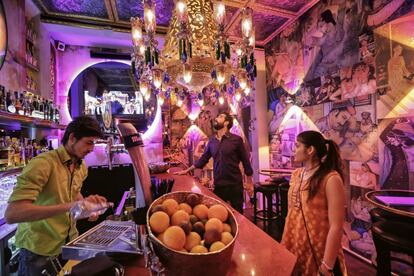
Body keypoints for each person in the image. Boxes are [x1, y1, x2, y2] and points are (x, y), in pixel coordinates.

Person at [5, 116, 107, 276]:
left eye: (94, 143)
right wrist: (73, 206)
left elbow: (72, 195)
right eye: (89, 142)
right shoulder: (42, 163)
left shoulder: (81, 167)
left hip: (69, 247)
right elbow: (13, 213)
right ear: (72, 138)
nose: (92, 148)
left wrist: (88, 207)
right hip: (38, 252)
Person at [281, 130, 347, 275]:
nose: (294, 149)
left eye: (297, 146)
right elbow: (292, 212)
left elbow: (336, 226)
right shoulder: (297, 174)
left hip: (318, 250)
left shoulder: (331, 179)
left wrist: (327, 265)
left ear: (310, 150)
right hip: (295, 243)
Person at [174, 112, 253, 214]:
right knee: (218, 214)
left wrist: (250, 182)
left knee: (238, 215)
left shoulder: (236, 140)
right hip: (219, 185)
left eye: (220, 117)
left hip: (235, 185)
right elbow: (203, 159)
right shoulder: (212, 141)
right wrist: (187, 170)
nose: (216, 118)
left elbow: (246, 161)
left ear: (226, 123)